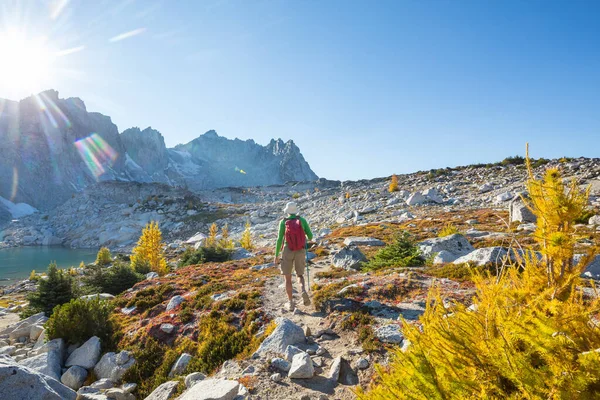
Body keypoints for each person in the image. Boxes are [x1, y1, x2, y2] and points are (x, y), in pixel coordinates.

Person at [274, 201, 313, 311]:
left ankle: (291, 302)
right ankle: (303, 291)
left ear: (287, 211)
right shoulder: (302, 220)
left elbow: (279, 239)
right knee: (300, 275)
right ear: (295, 211)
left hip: (287, 250)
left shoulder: (283, 222)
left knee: (287, 278)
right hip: (300, 250)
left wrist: (276, 255)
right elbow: (310, 236)